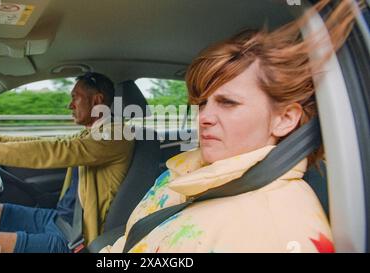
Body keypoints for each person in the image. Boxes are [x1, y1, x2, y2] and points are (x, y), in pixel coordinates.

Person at [101, 0, 358, 253]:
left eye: (228, 103)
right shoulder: (180, 171)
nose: (204, 117)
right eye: (202, 103)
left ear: (284, 119)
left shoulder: (283, 232)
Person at [0, 72, 135, 253]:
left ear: (97, 100)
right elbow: (47, 143)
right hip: (59, 219)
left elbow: (56, 151)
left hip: (77, 237)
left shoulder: (116, 134)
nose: (70, 105)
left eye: (75, 98)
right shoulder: (94, 132)